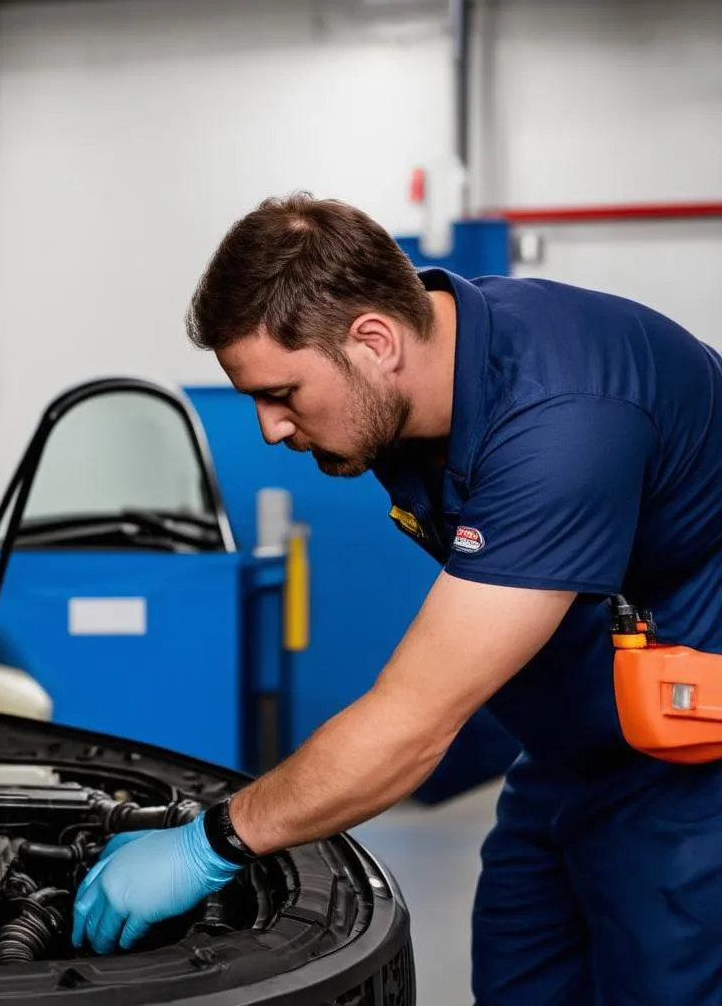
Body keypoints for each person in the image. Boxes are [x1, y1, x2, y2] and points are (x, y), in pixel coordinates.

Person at [71, 193, 722, 1003]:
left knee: (664, 976)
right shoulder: (412, 388)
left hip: (690, 763)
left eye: (282, 393)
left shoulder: (564, 415)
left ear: (374, 340)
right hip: (573, 750)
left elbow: (414, 722)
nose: (271, 429)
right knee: (522, 961)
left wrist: (212, 844)